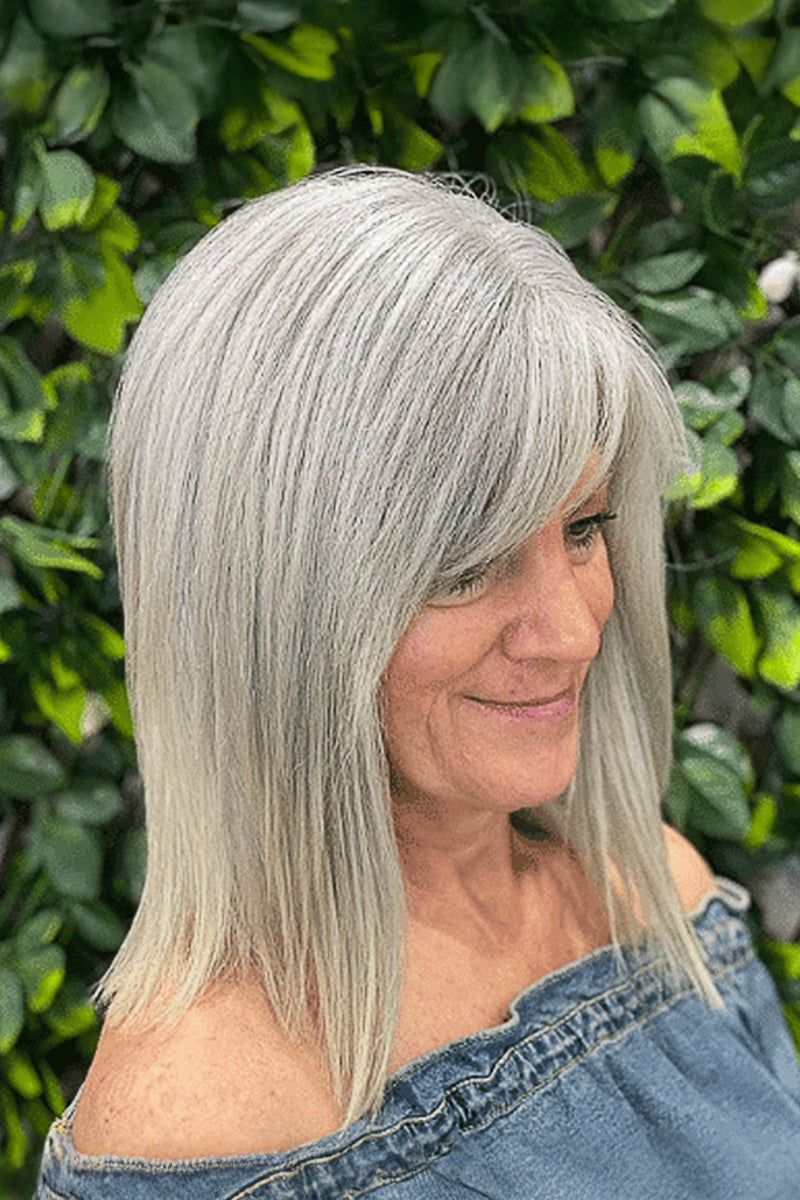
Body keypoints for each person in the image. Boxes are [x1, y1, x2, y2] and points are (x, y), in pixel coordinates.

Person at [36, 167, 800, 1198]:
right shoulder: (204, 1124)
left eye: (580, 529)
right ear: (274, 610)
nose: (572, 632)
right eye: (464, 566)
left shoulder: (646, 887)